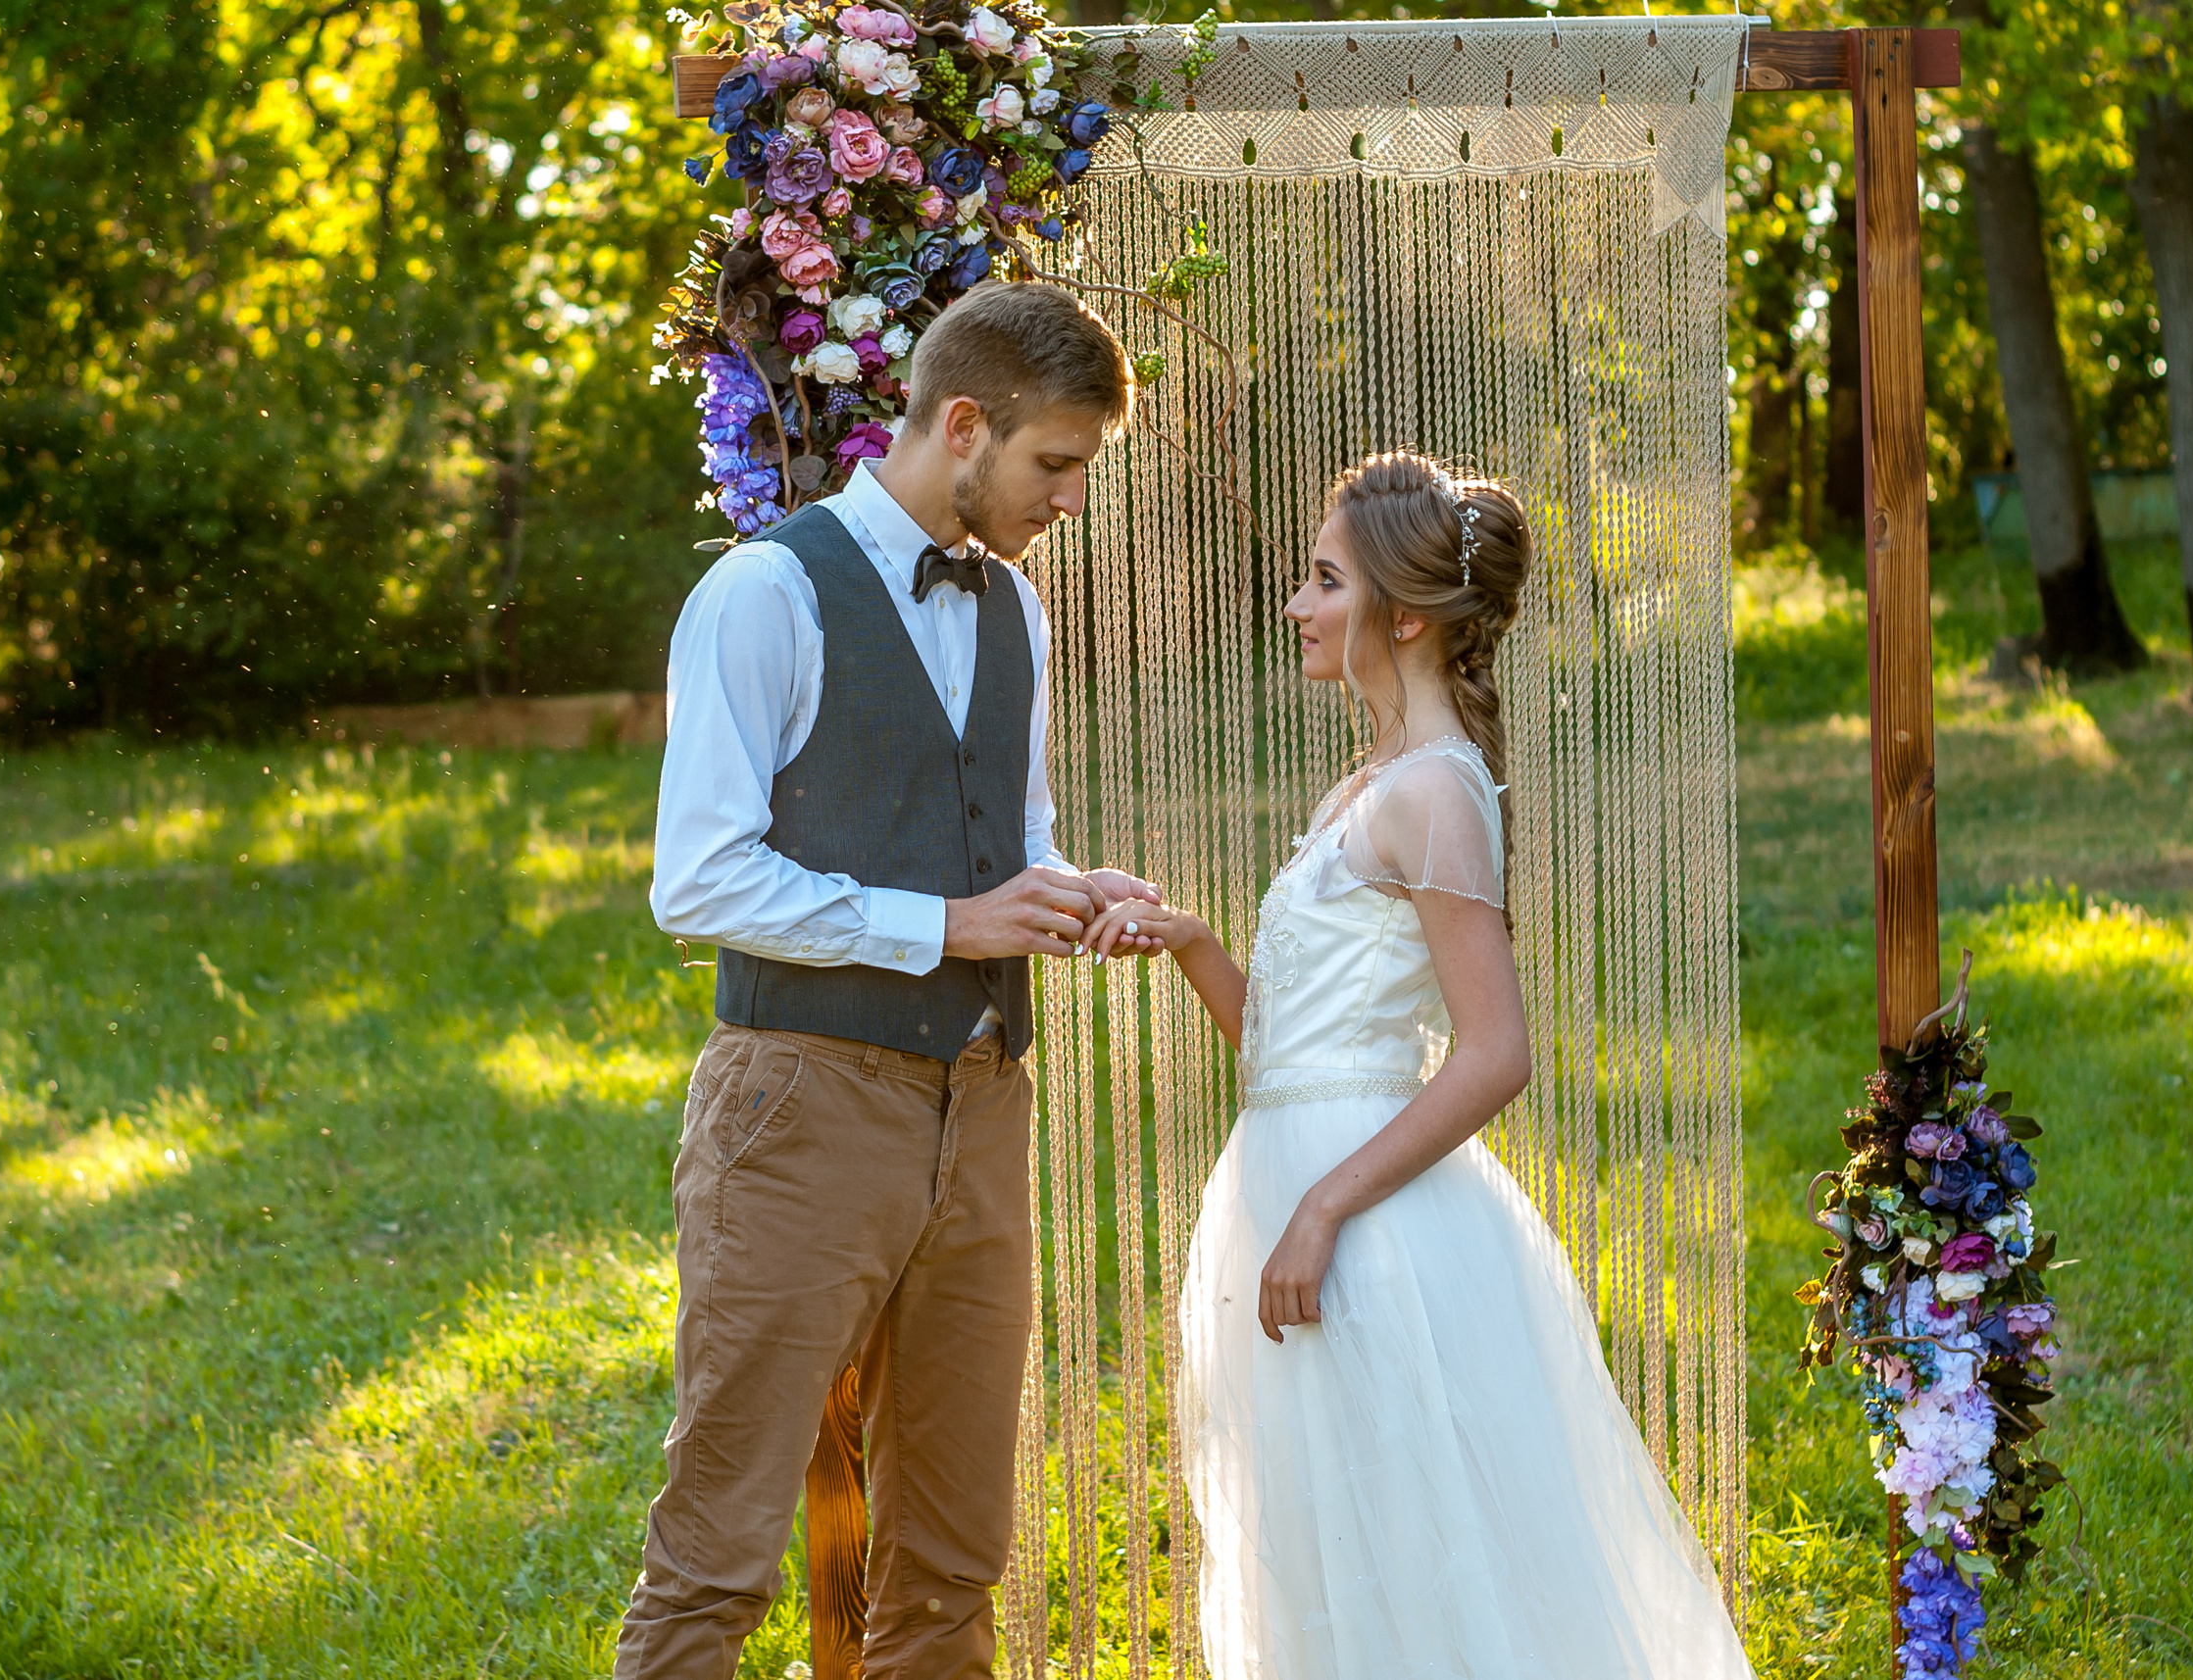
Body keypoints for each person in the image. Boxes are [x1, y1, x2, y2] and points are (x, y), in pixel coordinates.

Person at [1083, 452, 1755, 1680]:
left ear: (1401, 613)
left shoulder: (1434, 794)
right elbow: (1300, 1060)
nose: (1295, 603)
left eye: (1322, 579)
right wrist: (1193, 947)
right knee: (1335, 1560)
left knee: (1418, 1556)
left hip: (1369, 1230)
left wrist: (1325, 1203)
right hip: (1298, 1183)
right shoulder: (1373, 780)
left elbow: (1497, 1053)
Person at [627, 281, 1162, 1680]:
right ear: (965, 423)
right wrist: (946, 924)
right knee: (719, 1545)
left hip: (981, 1107)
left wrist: (1070, 893)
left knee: (953, 1552)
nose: (1066, 498)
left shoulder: (1018, 612)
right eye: (1055, 465)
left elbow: (1010, 839)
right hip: (804, 1105)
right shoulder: (765, 591)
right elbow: (698, 879)